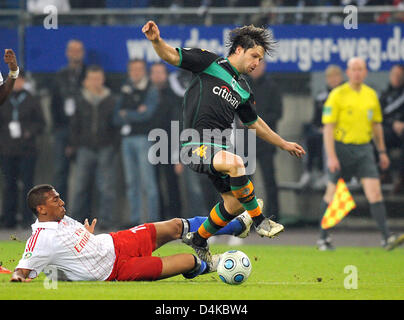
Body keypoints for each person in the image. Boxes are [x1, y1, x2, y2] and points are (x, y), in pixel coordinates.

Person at [142, 20, 305, 263]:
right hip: (193, 144)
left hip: (218, 147)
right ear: (238, 49)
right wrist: (156, 40)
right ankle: (260, 221)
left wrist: (283, 143)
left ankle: (198, 238)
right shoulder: (210, 62)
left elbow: (255, 123)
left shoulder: (243, 88)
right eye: (254, 56)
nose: (256, 63)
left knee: (234, 205)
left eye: (260, 60)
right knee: (237, 163)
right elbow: (170, 55)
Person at [10, 184, 254, 282]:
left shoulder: (60, 217)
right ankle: (215, 265)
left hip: (117, 242)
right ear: (41, 209)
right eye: (55, 200)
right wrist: (18, 277)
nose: (61, 202)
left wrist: (85, 235)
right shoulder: (41, 239)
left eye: (59, 197)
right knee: (189, 261)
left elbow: (72, 246)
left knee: (175, 226)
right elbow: (22, 271)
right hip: (116, 270)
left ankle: (238, 226)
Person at [317, 57, 404, 251]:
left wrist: (382, 152)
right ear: (348, 72)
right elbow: (328, 128)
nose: (357, 72)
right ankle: (323, 238)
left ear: (365, 72)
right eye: (353, 69)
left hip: (364, 149)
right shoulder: (337, 95)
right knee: (332, 193)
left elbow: (376, 126)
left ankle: (385, 238)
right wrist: (331, 156)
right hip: (341, 148)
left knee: (374, 192)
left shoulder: (371, 95)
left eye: (360, 69)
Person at [68, 66, 119, 230]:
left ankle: (107, 221)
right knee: (79, 187)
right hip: (85, 147)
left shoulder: (111, 99)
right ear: (86, 81)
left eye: (98, 78)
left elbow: (116, 125)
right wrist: (73, 144)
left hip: (106, 147)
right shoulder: (80, 99)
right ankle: (74, 222)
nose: (95, 82)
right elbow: (74, 124)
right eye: (92, 79)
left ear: (102, 79)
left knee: (106, 187)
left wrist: (114, 145)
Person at [113, 59, 161, 226]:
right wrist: (135, 112)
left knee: (148, 182)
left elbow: (147, 115)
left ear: (144, 71)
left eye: (139, 69)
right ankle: (134, 222)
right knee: (131, 182)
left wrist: (127, 113)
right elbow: (115, 117)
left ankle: (152, 220)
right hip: (127, 139)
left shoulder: (151, 89)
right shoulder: (125, 88)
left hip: (144, 138)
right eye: (133, 70)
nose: (136, 73)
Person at [0, 71, 45, 228]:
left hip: (27, 149)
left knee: (28, 186)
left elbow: (41, 123)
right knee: (8, 184)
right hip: (7, 149)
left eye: (20, 80)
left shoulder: (31, 100)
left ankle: (27, 219)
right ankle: (8, 219)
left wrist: (29, 132)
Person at [50, 39, 86, 203]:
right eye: (72, 50)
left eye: (78, 50)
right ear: (67, 53)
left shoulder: (89, 73)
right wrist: (57, 128)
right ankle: (58, 212)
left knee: (84, 174)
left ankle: (82, 213)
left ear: (83, 53)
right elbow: (54, 104)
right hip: (62, 129)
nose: (75, 53)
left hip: (82, 131)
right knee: (60, 172)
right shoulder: (60, 75)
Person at [298, 65, 344, 189]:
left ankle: (328, 173)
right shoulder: (321, 97)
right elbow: (316, 119)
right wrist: (320, 128)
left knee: (327, 140)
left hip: (342, 131)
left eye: (335, 76)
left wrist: (330, 129)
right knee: (310, 138)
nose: (333, 79)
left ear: (340, 77)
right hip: (324, 130)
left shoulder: (346, 95)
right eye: (330, 77)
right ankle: (308, 172)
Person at [247, 59, 283, 219]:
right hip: (246, 143)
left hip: (266, 142)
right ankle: (248, 217)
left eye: (259, 64)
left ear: (264, 66)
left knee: (270, 180)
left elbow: (278, 113)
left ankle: (274, 216)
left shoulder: (272, 87)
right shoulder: (243, 86)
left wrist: (254, 120)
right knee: (246, 184)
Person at [379, 64, 404, 194]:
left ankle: (401, 178)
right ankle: (384, 174)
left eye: (399, 75)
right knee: (378, 135)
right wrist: (393, 123)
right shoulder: (385, 94)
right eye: (394, 75)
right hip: (390, 130)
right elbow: (379, 116)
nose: (397, 78)